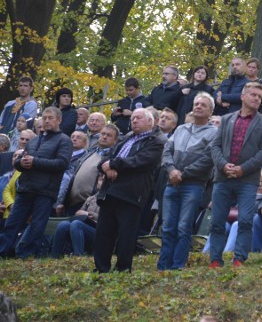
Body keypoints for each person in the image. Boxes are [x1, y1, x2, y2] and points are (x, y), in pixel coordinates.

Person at [208, 82, 262, 268]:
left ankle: (239, 259)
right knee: (217, 221)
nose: (256, 98)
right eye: (253, 95)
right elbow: (215, 146)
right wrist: (223, 165)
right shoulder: (227, 119)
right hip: (223, 177)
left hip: (248, 179)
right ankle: (215, 259)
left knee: (245, 220)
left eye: (259, 97)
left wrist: (243, 168)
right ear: (243, 96)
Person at [93, 108, 166, 272]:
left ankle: (123, 269)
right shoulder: (125, 139)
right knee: (104, 232)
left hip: (132, 193)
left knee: (126, 234)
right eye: (132, 118)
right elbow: (105, 158)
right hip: (110, 191)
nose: (134, 121)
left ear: (150, 121)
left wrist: (114, 164)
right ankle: (101, 268)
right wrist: (107, 167)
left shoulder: (155, 142)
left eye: (138, 118)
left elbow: (141, 161)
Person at [0, 107, 72, 258]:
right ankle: (2, 253)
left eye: (50, 118)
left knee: (37, 226)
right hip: (25, 188)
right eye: (44, 118)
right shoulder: (33, 141)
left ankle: (27, 256)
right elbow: (20, 161)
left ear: (59, 120)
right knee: (12, 223)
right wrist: (21, 163)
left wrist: (35, 162)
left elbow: (62, 164)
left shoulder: (64, 140)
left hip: (45, 191)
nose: (46, 121)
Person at [157, 92, 217, 271]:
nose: (198, 106)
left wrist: (182, 173)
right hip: (172, 183)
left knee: (184, 227)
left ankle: (177, 267)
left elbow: (207, 160)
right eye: (196, 103)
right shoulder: (181, 129)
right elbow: (167, 151)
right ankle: (163, 266)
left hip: (193, 185)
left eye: (203, 105)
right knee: (167, 226)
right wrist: (172, 170)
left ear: (210, 111)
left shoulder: (214, 133)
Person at [50, 174, 103, 257]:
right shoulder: (90, 199)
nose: (102, 182)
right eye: (101, 180)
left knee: (76, 224)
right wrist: (83, 214)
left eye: (105, 180)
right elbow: (78, 213)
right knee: (63, 224)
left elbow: (111, 220)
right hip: (86, 227)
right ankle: (54, 256)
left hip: (101, 233)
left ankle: (78, 256)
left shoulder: (111, 199)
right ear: (97, 183)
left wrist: (89, 214)